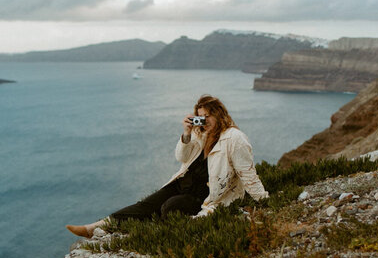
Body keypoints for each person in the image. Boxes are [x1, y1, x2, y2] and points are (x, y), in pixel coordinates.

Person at [66, 94, 269, 238]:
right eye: (200, 116)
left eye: (208, 116)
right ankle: (94, 228)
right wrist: (187, 133)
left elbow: (248, 174)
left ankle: (144, 235)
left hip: (205, 194)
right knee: (145, 205)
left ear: (219, 114)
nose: (204, 121)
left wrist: (264, 201)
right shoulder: (201, 133)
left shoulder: (235, 138)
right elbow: (180, 157)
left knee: (169, 207)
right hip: (183, 183)